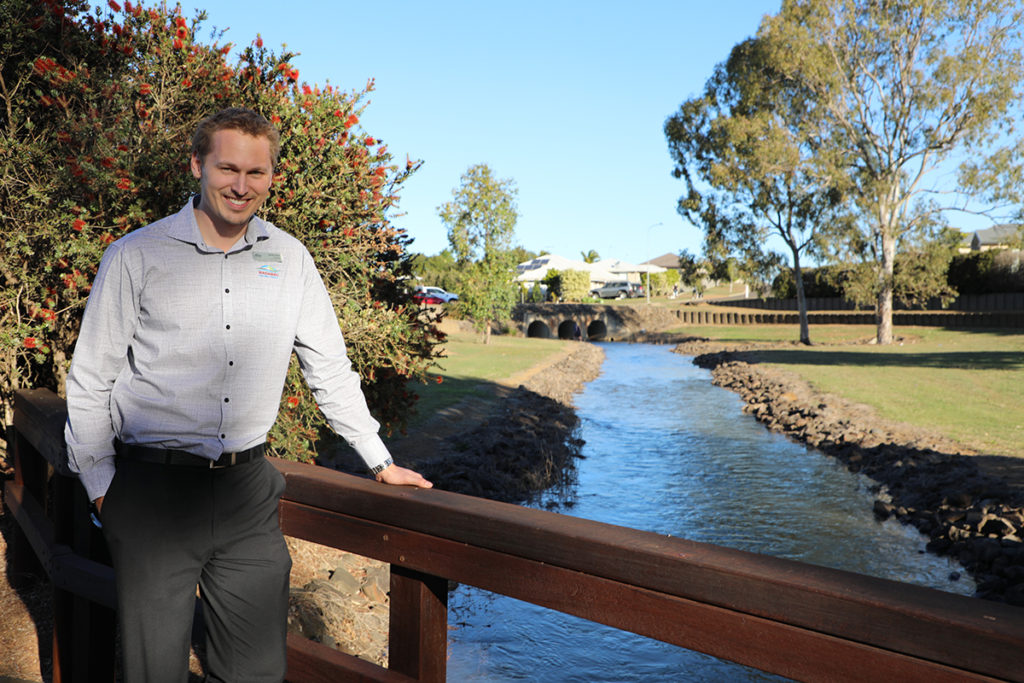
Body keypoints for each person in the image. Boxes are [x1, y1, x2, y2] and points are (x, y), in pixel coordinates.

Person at [64, 107, 432, 683]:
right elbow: (90, 381)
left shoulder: (290, 260)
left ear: (271, 176)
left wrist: (379, 460)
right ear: (197, 165)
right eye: (228, 168)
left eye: (255, 172)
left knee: (256, 671)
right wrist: (102, 490)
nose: (241, 185)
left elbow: (329, 368)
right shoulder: (136, 256)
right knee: (151, 672)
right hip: (151, 494)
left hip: (247, 496)